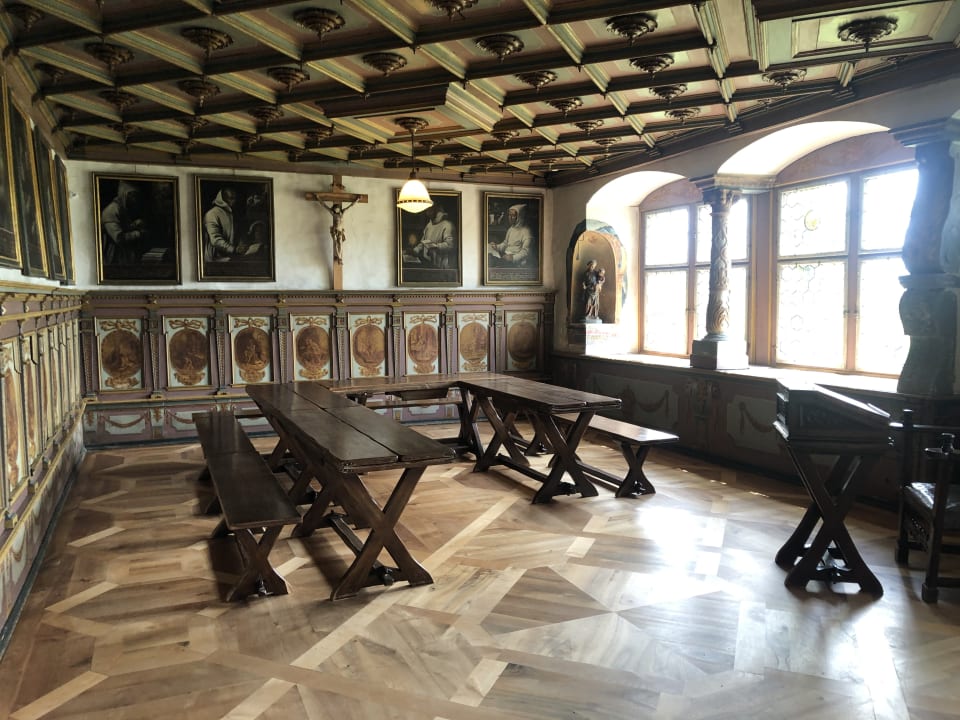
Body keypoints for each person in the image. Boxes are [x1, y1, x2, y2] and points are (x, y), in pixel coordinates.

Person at [101, 180, 147, 265]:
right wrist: (138, 234)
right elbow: (119, 238)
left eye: (136, 196)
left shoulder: (123, 208)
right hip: (113, 258)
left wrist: (135, 224)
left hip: (124, 257)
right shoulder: (111, 210)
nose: (135, 200)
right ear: (125, 194)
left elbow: (123, 227)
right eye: (133, 196)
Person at [409, 204, 456, 268]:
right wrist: (416, 250)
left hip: (440, 264)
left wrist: (436, 246)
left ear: (437, 210)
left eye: (430, 210)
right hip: (427, 262)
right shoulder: (429, 225)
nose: (427, 212)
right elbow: (423, 241)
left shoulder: (448, 225)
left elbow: (450, 245)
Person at [203, 187, 241, 262]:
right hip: (214, 259)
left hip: (229, 256)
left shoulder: (231, 213)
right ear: (223, 199)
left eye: (235, 198)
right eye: (231, 198)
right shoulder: (212, 214)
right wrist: (233, 249)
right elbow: (215, 240)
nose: (234, 201)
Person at [320, 199, 358, 264]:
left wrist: (357, 200)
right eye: (335, 209)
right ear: (334, 209)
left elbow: (350, 206)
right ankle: (339, 258)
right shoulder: (333, 214)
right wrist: (318, 198)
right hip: (335, 231)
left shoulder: (342, 213)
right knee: (335, 244)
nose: (336, 210)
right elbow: (324, 205)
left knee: (340, 244)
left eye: (337, 208)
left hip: (340, 232)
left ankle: (339, 257)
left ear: (339, 208)